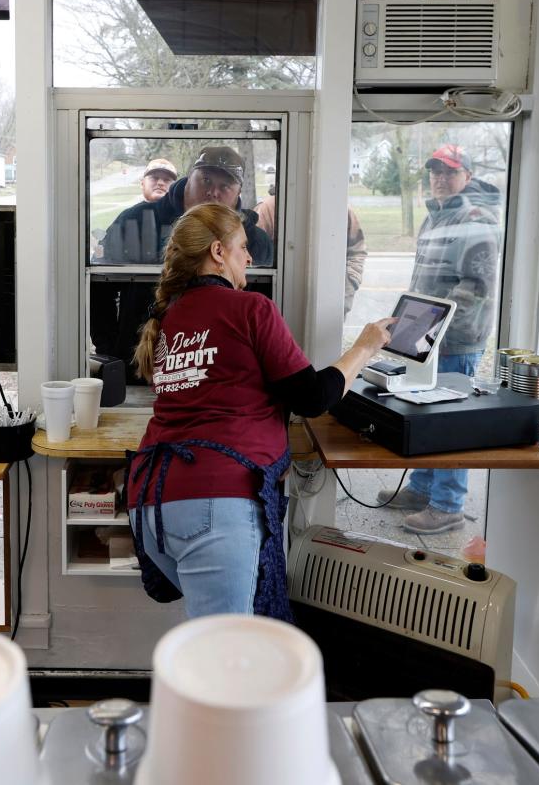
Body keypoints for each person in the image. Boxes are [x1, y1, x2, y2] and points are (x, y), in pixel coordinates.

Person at [128, 204, 394, 619]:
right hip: (215, 504)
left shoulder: (170, 317)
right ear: (218, 251)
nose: (249, 257)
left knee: (214, 647)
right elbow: (311, 397)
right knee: (227, 660)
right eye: (243, 247)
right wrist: (364, 347)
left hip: (151, 502)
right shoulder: (251, 308)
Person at [376, 143, 502, 535]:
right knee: (426, 415)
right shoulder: (435, 217)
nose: (440, 179)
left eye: (449, 172)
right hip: (427, 334)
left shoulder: (475, 218)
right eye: (435, 172)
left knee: (451, 422)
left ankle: (448, 505)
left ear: (466, 176)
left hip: (456, 339)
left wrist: (435, 328)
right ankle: (421, 488)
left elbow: (476, 287)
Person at [91, 147, 273, 383]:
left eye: (225, 185)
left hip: (222, 377)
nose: (212, 192)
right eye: (205, 179)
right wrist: (112, 350)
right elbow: (99, 287)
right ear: (189, 178)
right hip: (139, 368)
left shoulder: (255, 241)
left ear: (239, 192)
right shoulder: (135, 221)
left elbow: (266, 307)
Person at [254, 183, 368, 315]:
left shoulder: (339, 207)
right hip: (281, 301)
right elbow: (257, 260)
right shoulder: (270, 208)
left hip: (329, 300)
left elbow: (356, 250)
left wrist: (347, 286)